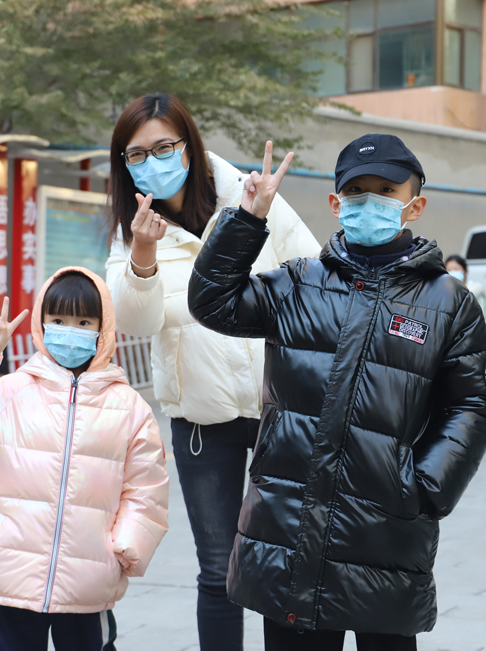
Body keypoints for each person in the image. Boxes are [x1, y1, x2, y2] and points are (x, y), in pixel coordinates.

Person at [188, 134, 486, 651]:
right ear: (336, 204)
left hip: (387, 538)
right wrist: (247, 219)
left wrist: (426, 487)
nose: (368, 201)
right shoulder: (297, 284)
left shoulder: (449, 303)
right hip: (290, 533)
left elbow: (474, 404)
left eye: (385, 191)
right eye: (356, 191)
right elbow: (212, 302)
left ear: (415, 206)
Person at [105, 93, 320, 650]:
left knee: (282, 562)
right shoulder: (133, 231)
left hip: (281, 413)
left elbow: (314, 273)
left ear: (189, 145)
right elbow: (136, 322)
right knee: (220, 568)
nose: (152, 162)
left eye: (164, 147)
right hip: (203, 421)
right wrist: (143, 254)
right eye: (137, 154)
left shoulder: (251, 195)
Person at [0, 268, 170, 651]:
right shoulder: (10, 393)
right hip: (11, 573)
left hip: (88, 579)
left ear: (102, 328)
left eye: (83, 322)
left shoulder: (129, 407)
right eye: (58, 320)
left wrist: (124, 547)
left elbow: (146, 487)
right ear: (42, 323)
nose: (69, 330)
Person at [445, 254, 486, 339]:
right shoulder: (443, 295)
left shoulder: (476, 292)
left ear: (465, 271)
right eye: (449, 270)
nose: (452, 272)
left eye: (456, 269)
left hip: (474, 341)